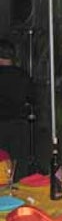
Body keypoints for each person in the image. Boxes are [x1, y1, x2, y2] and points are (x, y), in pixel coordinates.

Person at [0, 38, 34, 179]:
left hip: (1, 125)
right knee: (19, 165)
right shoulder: (23, 75)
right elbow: (32, 99)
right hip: (20, 126)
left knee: (2, 166)